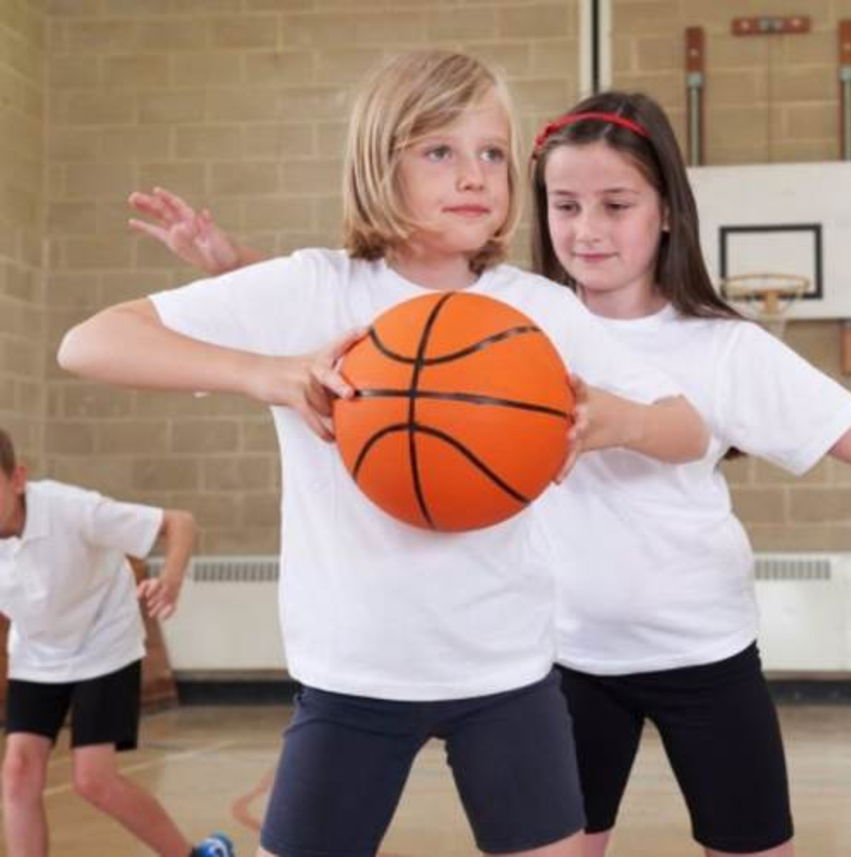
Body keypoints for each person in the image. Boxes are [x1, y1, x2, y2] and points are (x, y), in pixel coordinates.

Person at [126, 88, 851, 857]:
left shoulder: (722, 347)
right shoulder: (504, 319)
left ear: (668, 209)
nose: (587, 230)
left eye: (616, 205)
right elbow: (384, 353)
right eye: (565, 205)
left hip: (701, 647)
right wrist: (241, 277)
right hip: (563, 654)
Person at [58, 53, 708, 857]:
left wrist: (616, 420)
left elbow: (689, 428)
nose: (473, 175)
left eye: (493, 153)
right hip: (354, 676)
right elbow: (89, 343)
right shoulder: (312, 290)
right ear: (378, 163)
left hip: (507, 672)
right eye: (439, 151)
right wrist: (265, 373)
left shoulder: (538, 309)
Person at [0, 429, 232, 857]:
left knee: (93, 780)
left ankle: (190, 855)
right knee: (17, 773)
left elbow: (179, 522)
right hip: (38, 652)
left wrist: (171, 581)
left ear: (17, 478)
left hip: (103, 642)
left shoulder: (70, 509)